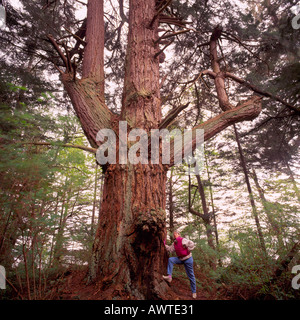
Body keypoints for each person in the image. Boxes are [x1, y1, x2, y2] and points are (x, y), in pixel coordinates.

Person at [163, 230, 197, 299]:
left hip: (188, 259)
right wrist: (164, 245)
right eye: (174, 234)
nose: (174, 235)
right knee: (171, 260)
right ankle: (169, 277)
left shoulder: (183, 240)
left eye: (176, 233)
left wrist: (188, 249)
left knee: (191, 276)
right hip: (181, 259)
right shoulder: (174, 243)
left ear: (179, 234)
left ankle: (194, 292)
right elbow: (170, 249)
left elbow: (192, 244)